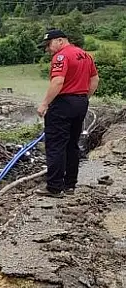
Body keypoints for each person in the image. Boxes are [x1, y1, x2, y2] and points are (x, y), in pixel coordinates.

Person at [36, 29, 99, 198]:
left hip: (63, 103)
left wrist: (44, 104)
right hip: (80, 103)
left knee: (56, 144)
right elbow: (95, 79)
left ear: (60, 41)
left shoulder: (61, 56)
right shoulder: (85, 55)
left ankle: (54, 187)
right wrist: (83, 98)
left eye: (49, 45)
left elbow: (57, 81)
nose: (48, 49)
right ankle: (70, 185)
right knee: (72, 144)